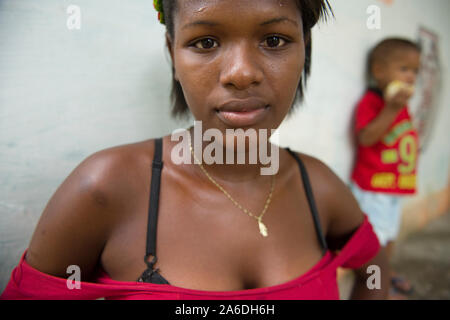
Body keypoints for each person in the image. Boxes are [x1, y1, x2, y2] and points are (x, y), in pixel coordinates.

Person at [1, 0, 388, 300]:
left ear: (305, 47)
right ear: (173, 53)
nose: (241, 72)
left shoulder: (318, 186)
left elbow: (374, 268)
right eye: (205, 42)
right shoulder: (103, 189)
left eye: (274, 40)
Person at [350, 38, 421, 299]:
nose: (411, 76)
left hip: (395, 187)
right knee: (375, 240)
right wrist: (391, 109)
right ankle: (372, 283)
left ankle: (385, 274)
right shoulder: (372, 102)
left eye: (415, 71)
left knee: (390, 234)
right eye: (404, 69)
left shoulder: (401, 105)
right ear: (379, 71)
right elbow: (366, 138)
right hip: (374, 187)